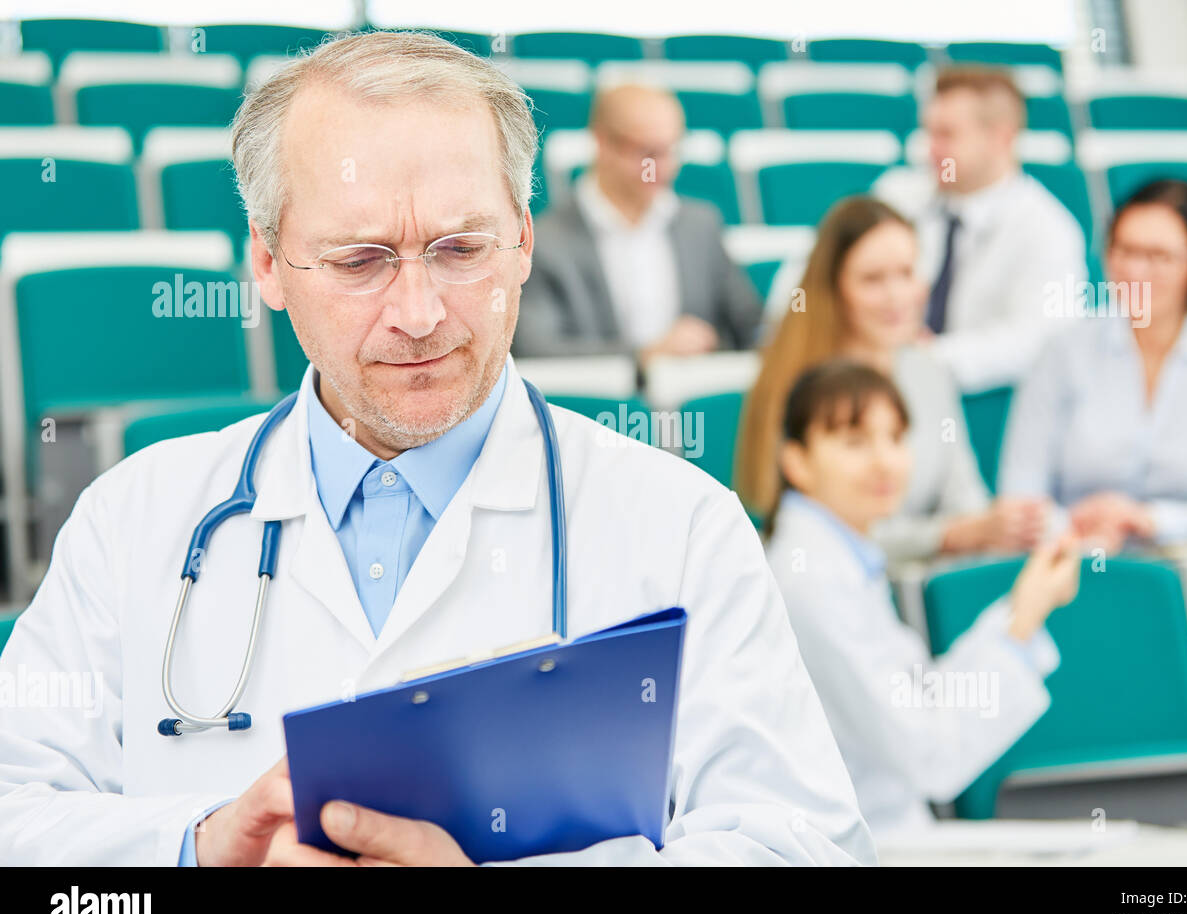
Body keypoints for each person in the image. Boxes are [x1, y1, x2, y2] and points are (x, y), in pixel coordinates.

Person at [0, 31, 874, 867]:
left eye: (459, 249)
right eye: (359, 261)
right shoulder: (133, 521)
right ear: (266, 265)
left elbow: (800, 848)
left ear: (526, 240)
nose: (418, 315)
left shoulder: (683, 526)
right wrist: (198, 849)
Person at [764, 359, 1081, 835]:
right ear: (797, 462)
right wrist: (1024, 619)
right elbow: (930, 756)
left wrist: (1024, 612)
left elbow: (920, 698)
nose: (884, 461)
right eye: (854, 442)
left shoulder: (841, 560)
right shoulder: (810, 581)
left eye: (895, 438)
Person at [734, 196, 1047, 562]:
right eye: (872, 280)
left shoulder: (928, 370)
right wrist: (946, 537)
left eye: (906, 273)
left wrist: (994, 527)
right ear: (835, 289)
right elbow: (823, 533)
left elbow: (964, 497)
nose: (896, 296)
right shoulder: (805, 385)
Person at [999, 180, 1187, 552]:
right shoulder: (1061, 354)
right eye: (1124, 251)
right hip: (1068, 564)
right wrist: (1082, 531)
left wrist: (1149, 520)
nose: (1135, 271)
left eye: (1159, 256)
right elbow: (1018, 500)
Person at [513, 82, 763, 361]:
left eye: (672, 150)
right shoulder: (547, 240)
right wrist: (643, 356)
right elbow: (535, 348)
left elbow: (751, 325)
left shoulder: (701, 226)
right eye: (649, 153)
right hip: (595, 403)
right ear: (603, 144)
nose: (664, 167)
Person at [913, 66, 1087, 391]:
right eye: (929, 133)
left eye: (946, 135)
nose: (930, 150)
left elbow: (1041, 338)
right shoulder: (899, 195)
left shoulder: (1049, 230)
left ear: (1000, 138)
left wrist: (924, 358)